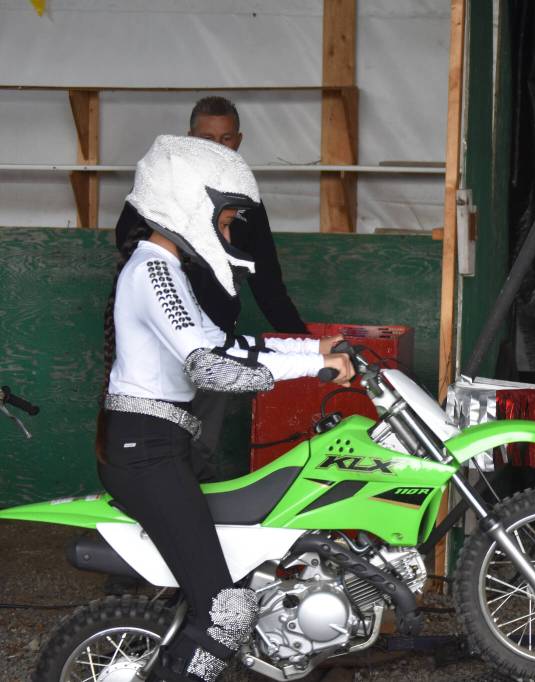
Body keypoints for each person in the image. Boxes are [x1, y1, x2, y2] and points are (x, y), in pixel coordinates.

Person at [96, 134, 353, 681]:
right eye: (228, 221)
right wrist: (315, 371)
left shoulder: (166, 269)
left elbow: (233, 346)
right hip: (147, 453)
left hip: (158, 447)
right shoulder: (153, 271)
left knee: (220, 593)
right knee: (227, 612)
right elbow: (211, 368)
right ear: (188, 203)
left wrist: (315, 351)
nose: (231, 234)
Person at [115, 96, 306, 481]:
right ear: (189, 138)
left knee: (199, 448)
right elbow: (130, 247)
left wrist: (303, 341)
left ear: (239, 140)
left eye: (226, 138)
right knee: (163, 454)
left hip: (218, 340)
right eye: (207, 138)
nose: (218, 146)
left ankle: (183, 505)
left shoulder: (245, 202)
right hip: (166, 348)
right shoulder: (160, 203)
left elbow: (267, 282)